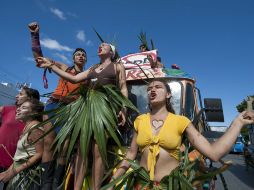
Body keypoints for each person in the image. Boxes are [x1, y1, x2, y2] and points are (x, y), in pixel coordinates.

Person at [108, 79, 254, 189]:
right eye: (149, 88)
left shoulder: (181, 121)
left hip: (171, 186)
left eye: (158, 87)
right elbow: (131, 155)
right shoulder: (140, 120)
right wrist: (113, 182)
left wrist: (237, 123)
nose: (152, 90)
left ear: (168, 94)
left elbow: (214, 153)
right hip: (142, 185)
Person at [36, 42, 131, 190]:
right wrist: (51, 66)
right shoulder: (93, 68)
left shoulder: (118, 66)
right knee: (81, 152)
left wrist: (124, 108)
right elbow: (73, 78)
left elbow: (123, 87)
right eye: (99, 45)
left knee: (98, 151)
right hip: (86, 110)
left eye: (105, 45)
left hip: (104, 110)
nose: (100, 46)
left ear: (111, 52)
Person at [28, 22, 87, 189]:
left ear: (86, 59)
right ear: (73, 58)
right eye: (78, 54)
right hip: (54, 105)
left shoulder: (88, 76)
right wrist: (35, 36)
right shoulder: (64, 67)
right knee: (49, 142)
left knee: (65, 144)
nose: (81, 56)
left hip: (71, 110)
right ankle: (46, 183)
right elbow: (39, 59)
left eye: (83, 54)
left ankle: (57, 182)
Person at [0, 87, 40, 189]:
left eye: (21, 94)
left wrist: (13, 171)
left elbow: (38, 152)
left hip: (14, 167)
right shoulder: (8, 110)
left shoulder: (34, 124)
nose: (17, 96)